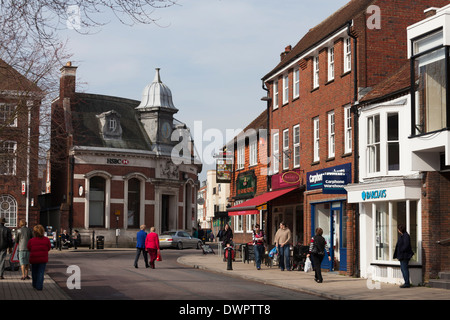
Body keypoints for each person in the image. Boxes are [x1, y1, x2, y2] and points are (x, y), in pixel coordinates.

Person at [27, 225, 51, 290]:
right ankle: (39, 286)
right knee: (41, 272)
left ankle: (34, 284)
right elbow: (49, 248)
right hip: (43, 259)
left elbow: (29, 248)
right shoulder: (46, 240)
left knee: (34, 272)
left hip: (34, 258)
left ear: (34, 232)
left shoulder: (31, 240)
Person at [394, 224, 414, 288]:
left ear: (400, 230)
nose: (398, 231)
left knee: (404, 269)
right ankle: (406, 282)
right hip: (402, 255)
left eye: (398, 229)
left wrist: (400, 250)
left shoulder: (406, 236)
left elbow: (406, 246)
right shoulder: (402, 236)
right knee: (403, 269)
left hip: (404, 256)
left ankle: (407, 283)